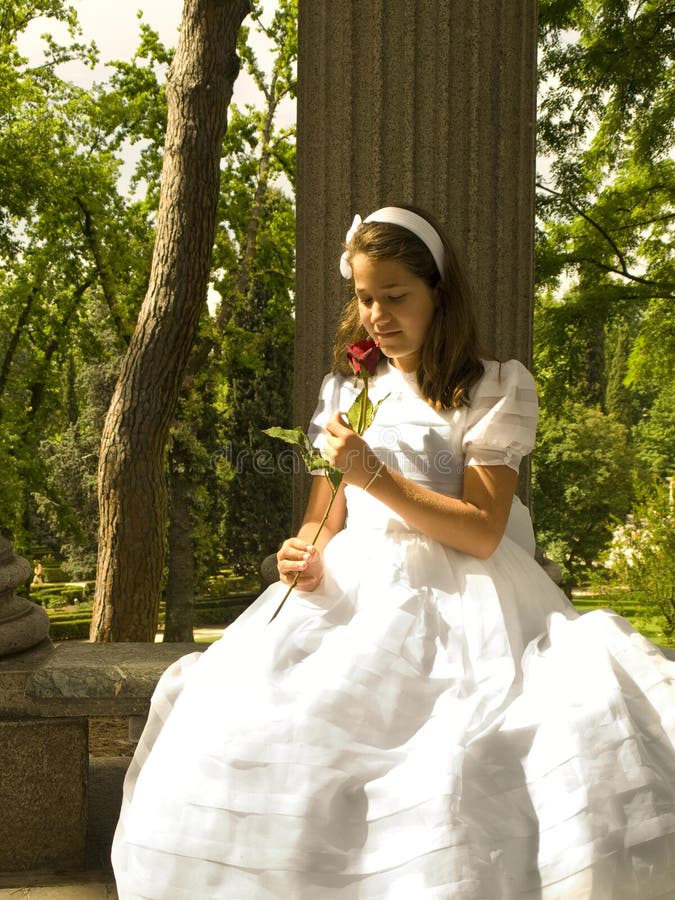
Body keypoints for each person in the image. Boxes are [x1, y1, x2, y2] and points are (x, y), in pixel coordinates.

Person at [112, 206, 675, 899]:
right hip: (352, 590)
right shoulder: (347, 392)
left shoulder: (491, 387)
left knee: (460, 755)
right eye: (364, 296)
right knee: (262, 724)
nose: (376, 314)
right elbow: (325, 518)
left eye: (394, 296)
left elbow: (479, 529)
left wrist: (374, 471)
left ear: (438, 292)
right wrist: (303, 550)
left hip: (467, 595)